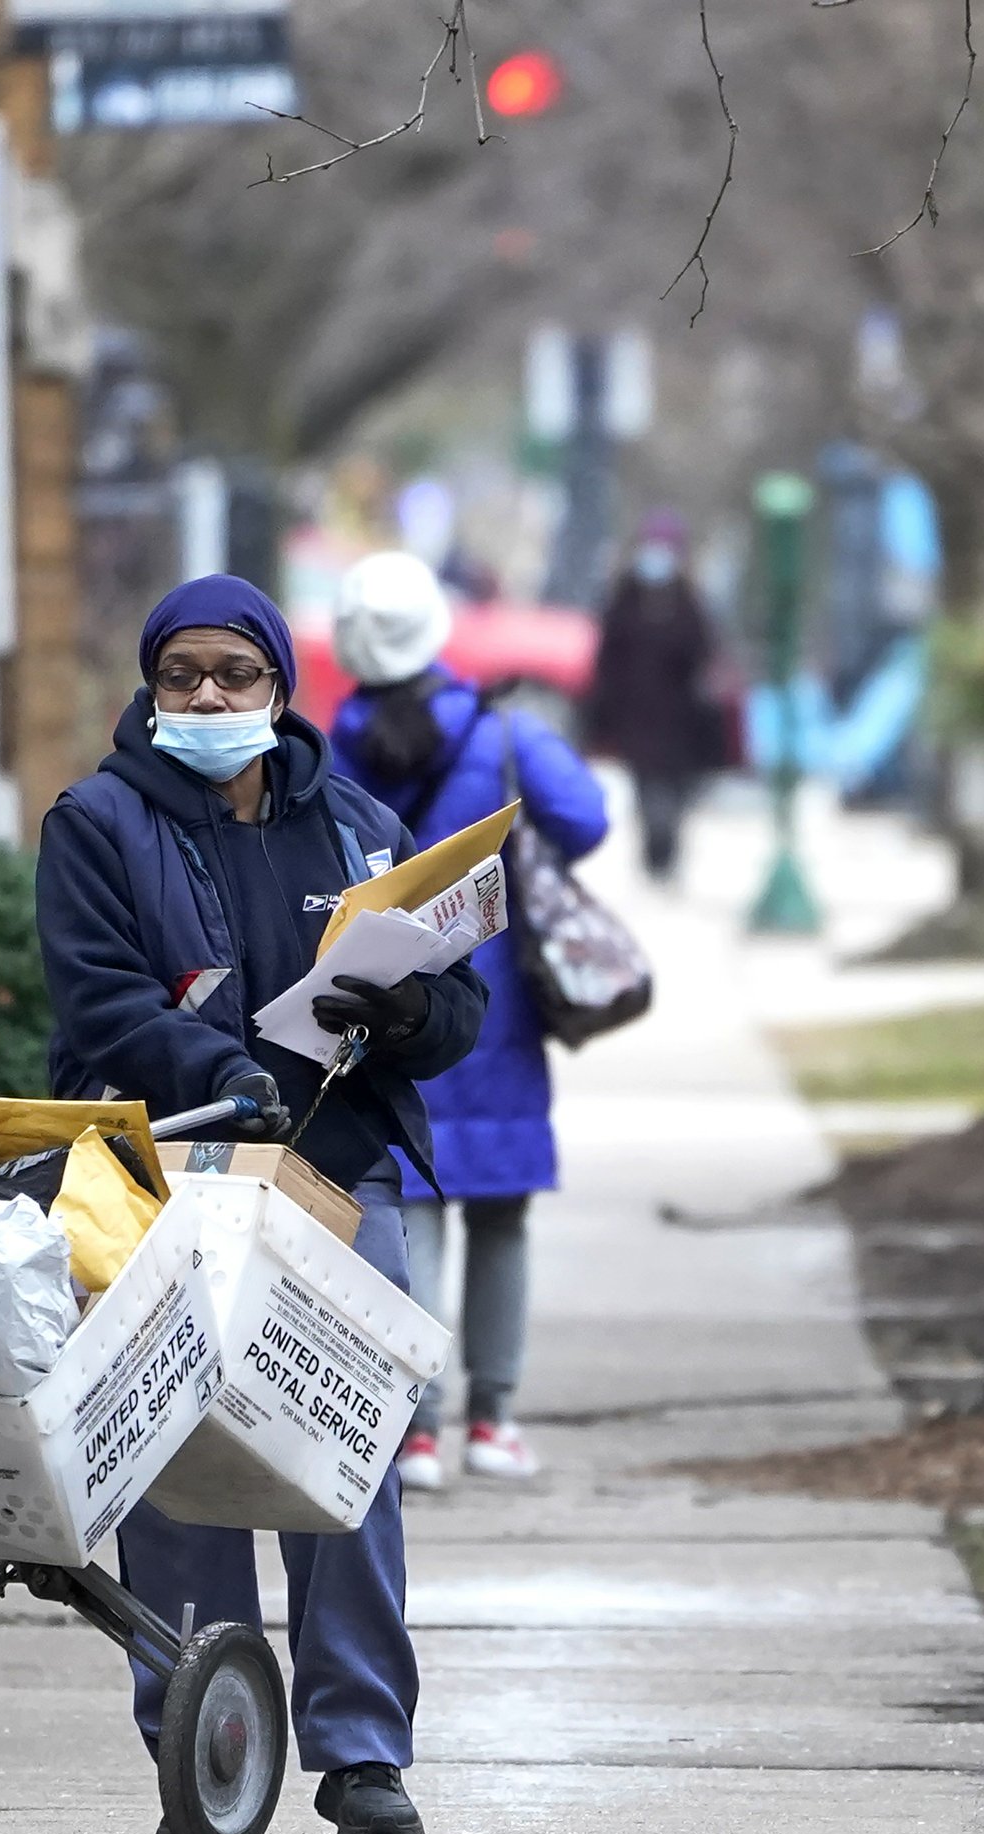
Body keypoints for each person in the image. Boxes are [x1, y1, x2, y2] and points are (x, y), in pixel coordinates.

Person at [34, 573, 489, 1834]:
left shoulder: (358, 827)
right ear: (152, 687)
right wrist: (216, 1069)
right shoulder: (97, 821)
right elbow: (100, 1000)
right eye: (183, 674)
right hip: (169, 1170)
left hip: (339, 1173)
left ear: (281, 684)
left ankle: (361, 1751)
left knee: (345, 1450)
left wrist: (411, 1014)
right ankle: (204, 1739)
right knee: (180, 1462)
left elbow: (456, 1004)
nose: (209, 696)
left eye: (235, 673)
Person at [327, 552, 609, 1490]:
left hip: (387, 1011)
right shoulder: (506, 738)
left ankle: (414, 1433)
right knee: (502, 1218)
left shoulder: (329, 749)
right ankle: (494, 1420)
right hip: (499, 1016)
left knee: (411, 1211)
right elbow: (588, 821)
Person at [586, 509, 718, 882]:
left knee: (673, 791)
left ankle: (667, 852)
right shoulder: (624, 599)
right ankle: (653, 855)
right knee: (646, 788)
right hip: (635, 717)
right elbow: (607, 657)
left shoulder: (689, 602)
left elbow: (702, 654)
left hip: (678, 721)